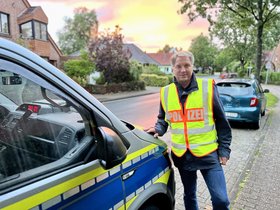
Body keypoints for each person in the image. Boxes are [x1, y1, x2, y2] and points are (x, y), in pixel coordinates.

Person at [146, 51, 232, 210]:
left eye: (187, 65)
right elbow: (163, 118)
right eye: (178, 66)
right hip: (182, 156)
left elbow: (222, 122)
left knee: (221, 199)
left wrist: (224, 150)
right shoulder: (166, 92)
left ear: (193, 67)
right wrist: (157, 129)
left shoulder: (208, 88)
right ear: (173, 68)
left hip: (208, 154)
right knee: (189, 194)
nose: (183, 70)